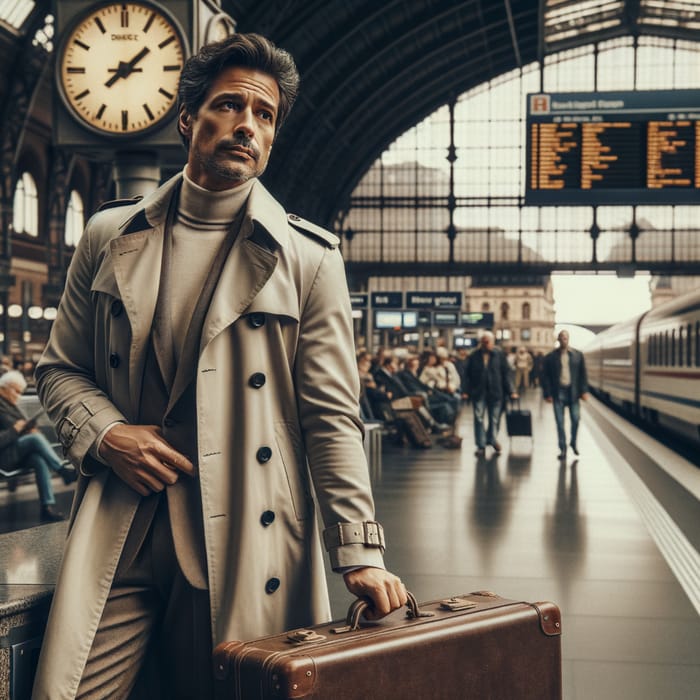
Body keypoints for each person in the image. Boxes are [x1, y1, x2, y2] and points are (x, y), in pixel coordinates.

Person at [32, 33, 406, 700]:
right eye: (230, 105)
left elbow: (330, 418)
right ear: (188, 119)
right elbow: (60, 370)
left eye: (265, 116)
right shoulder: (109, 239)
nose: (247, 126)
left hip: (244, 533)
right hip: (121, 528)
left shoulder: (308, 259)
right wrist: (108, 435)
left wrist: (359, 550)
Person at [0, 370, 77, 521]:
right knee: (35, 439)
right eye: (16, 391)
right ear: (4, 388)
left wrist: (27, 429)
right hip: (4, 457)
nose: (19, 396)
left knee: (39, 460)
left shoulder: (10, 406)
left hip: (16, 454)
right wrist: (15, 430)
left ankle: (46, 508)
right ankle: (62, 470)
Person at [462, 331, 517, 456]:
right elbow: (467, 375)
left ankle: (491, 440)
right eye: (484, 342)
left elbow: (506, 374)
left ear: (492, 342)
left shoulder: (499, 355)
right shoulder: (474, 355)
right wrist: (465, 391)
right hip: (479, 391)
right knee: (479, 418)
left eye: (488, 342)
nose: (486, 344)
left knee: (494, 419)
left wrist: (512, 391)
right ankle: (481, 445)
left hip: (496, 392)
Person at [542, 329, 589, 460]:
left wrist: (584, 391)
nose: (564, 340)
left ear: (568, 339)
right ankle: (562, 448)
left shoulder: (578, 355)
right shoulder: (550, 357)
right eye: (561, 338)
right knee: (560, 422)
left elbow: (583, 375)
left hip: (573, 393)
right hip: (558, 393)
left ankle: (573, 442)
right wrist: (547, 394)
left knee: (575, 419)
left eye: (566, 338)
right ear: (558, 340)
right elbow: (545, 377)